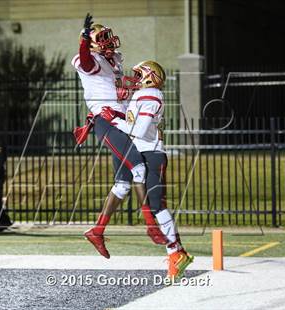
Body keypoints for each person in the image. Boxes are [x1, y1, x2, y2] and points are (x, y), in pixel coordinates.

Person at [72, 13, 167, 258]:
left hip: (120, 121)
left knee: (123, 184)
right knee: (139, 170)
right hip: (106, 120)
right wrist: (84, 40)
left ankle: (97, 231)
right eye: (100, 38)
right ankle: (151, 226)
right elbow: (85, 61)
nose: (107, 41)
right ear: (91, 43)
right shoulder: (89, 59)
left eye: (106, 36)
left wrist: (129, 89)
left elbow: (115, 87)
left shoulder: (113, 59)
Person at [100, 61, 194, 280]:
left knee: (157, 204)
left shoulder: (151, 94)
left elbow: (140, 130)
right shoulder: (142, 95)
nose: (135, 79)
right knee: (146, 202)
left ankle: (176, 252)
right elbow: (134, 125)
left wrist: (113, 120)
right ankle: (176, 253)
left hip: (151, 154)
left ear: (151, 77)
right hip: (140, 152)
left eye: (138, 75)